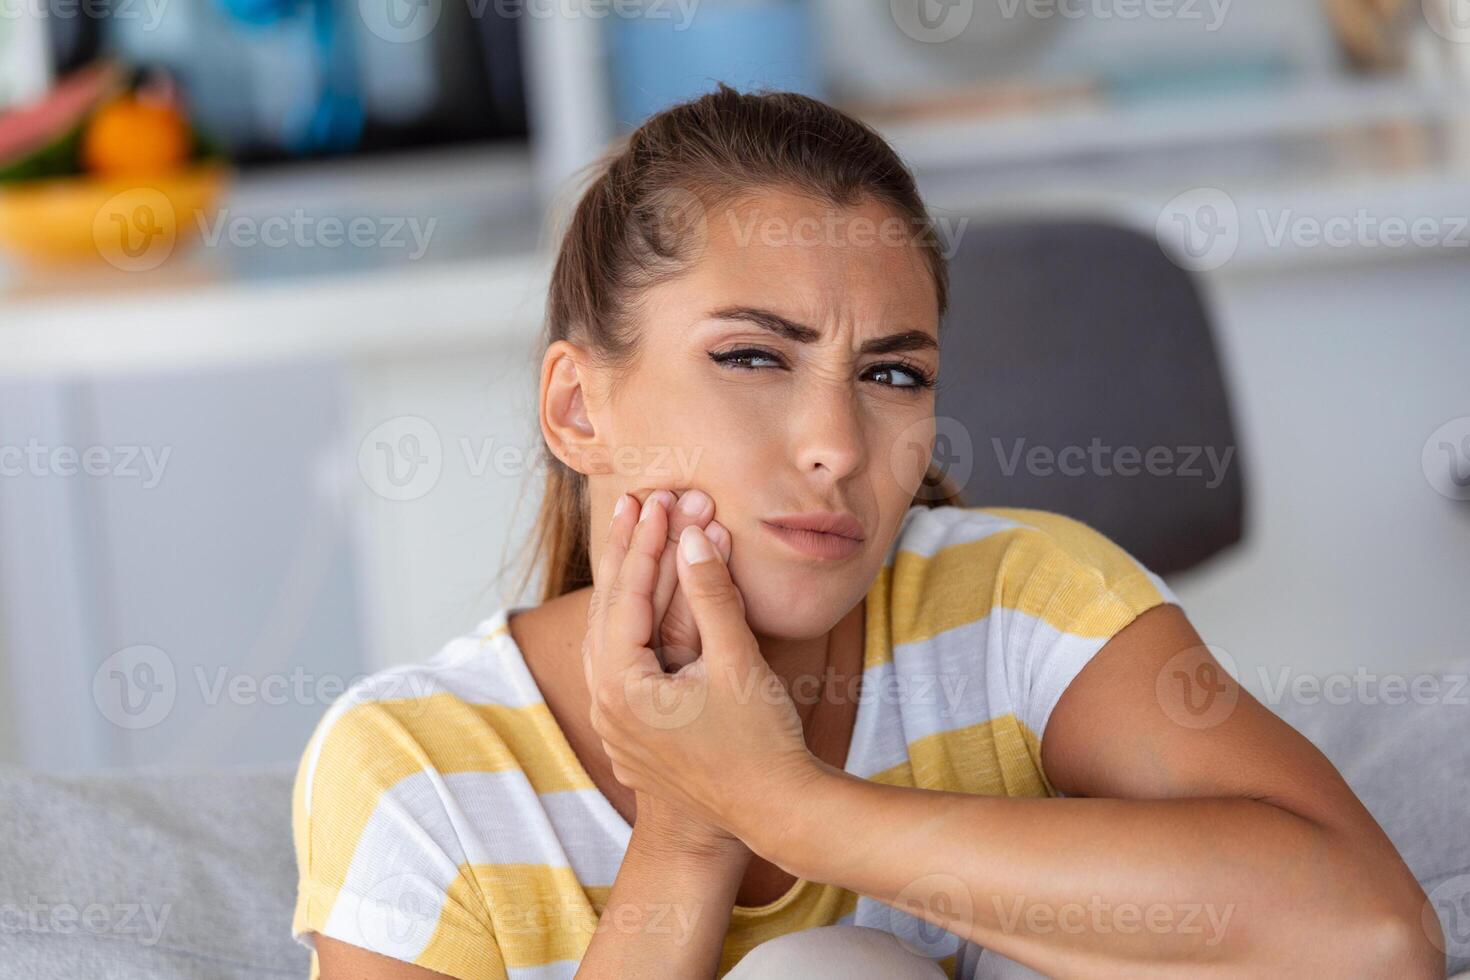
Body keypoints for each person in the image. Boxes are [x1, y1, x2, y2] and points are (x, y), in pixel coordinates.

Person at [290, 84, 1442, 979]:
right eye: (751, 356)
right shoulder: (415, 770)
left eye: (891, 372)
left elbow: (1374, 939)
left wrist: (790, 805)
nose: (837, 441)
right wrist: (692, 832)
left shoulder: (1018, 605)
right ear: (578, 406)